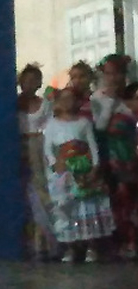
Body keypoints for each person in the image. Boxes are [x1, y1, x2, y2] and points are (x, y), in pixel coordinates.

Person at [43, 86, 115, 263]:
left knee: (86, 205)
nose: (67, 103)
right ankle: (71, 247)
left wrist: (95, 166)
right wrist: (55, 164)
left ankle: (91, 246)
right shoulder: (52, 124)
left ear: (77, 102)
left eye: (71, 99)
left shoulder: (83, 122)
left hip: (83, 169)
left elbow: (92, 146)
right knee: (68, 209)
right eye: (63, 99)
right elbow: (48, 148)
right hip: (64, 172)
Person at [92, 54, 138, 260]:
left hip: (129, 155)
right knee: (116, 198)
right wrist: (111, 101)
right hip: (109, 156)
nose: (114, 78)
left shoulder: (130, 95)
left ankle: (131, 241)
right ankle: (118, 242)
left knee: (130, 199)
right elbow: (100, 126)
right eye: (109, 73)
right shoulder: (98, 98)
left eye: (118, 73)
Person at [16, 65, 56, 260]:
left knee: (40, 189)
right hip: (18, 145)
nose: (30, 84)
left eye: (34, 79)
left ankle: (45, 238)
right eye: (26, 79)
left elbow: (50, 127)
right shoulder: (12, 104)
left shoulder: (45, 104)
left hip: (39, 147)